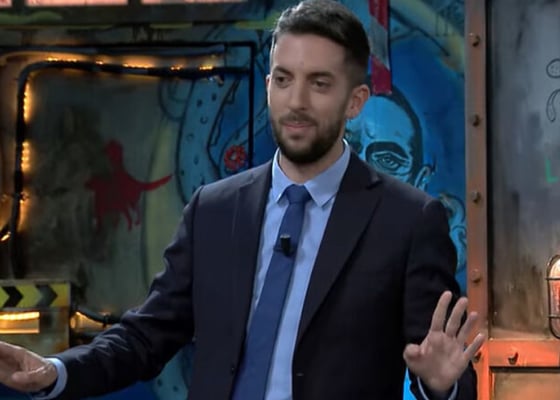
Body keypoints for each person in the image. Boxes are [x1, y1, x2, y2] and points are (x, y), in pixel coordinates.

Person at [0, 0, 484, 399]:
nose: (296, 101)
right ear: (269, 86)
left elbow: (448, 371)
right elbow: (146, 336)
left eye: (319, 83)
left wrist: (440, 387)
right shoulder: (214, 210)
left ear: (355, 101)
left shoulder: (407, 221)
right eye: (283, 79)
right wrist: (54, 371)